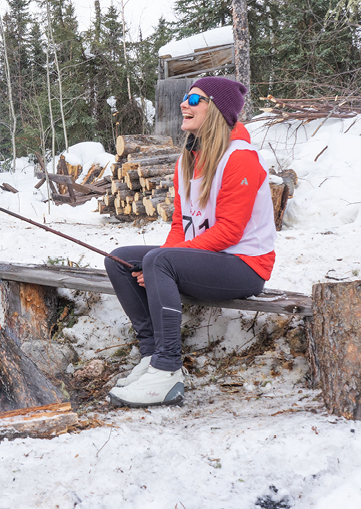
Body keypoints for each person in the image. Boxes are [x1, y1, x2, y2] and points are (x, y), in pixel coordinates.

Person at [104, 77, 276, 407]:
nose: (184, 103)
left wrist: (161, 261)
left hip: (245, 265)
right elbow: (181, 228)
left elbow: (229, 233)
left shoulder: (240, 158)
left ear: (217, 111)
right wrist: (160, 259)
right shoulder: (188, 158)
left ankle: (168, 371)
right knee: (120, 260)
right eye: (185, 97)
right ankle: (152, 356)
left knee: (159, 260)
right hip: (207, 259)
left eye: (195, 100)